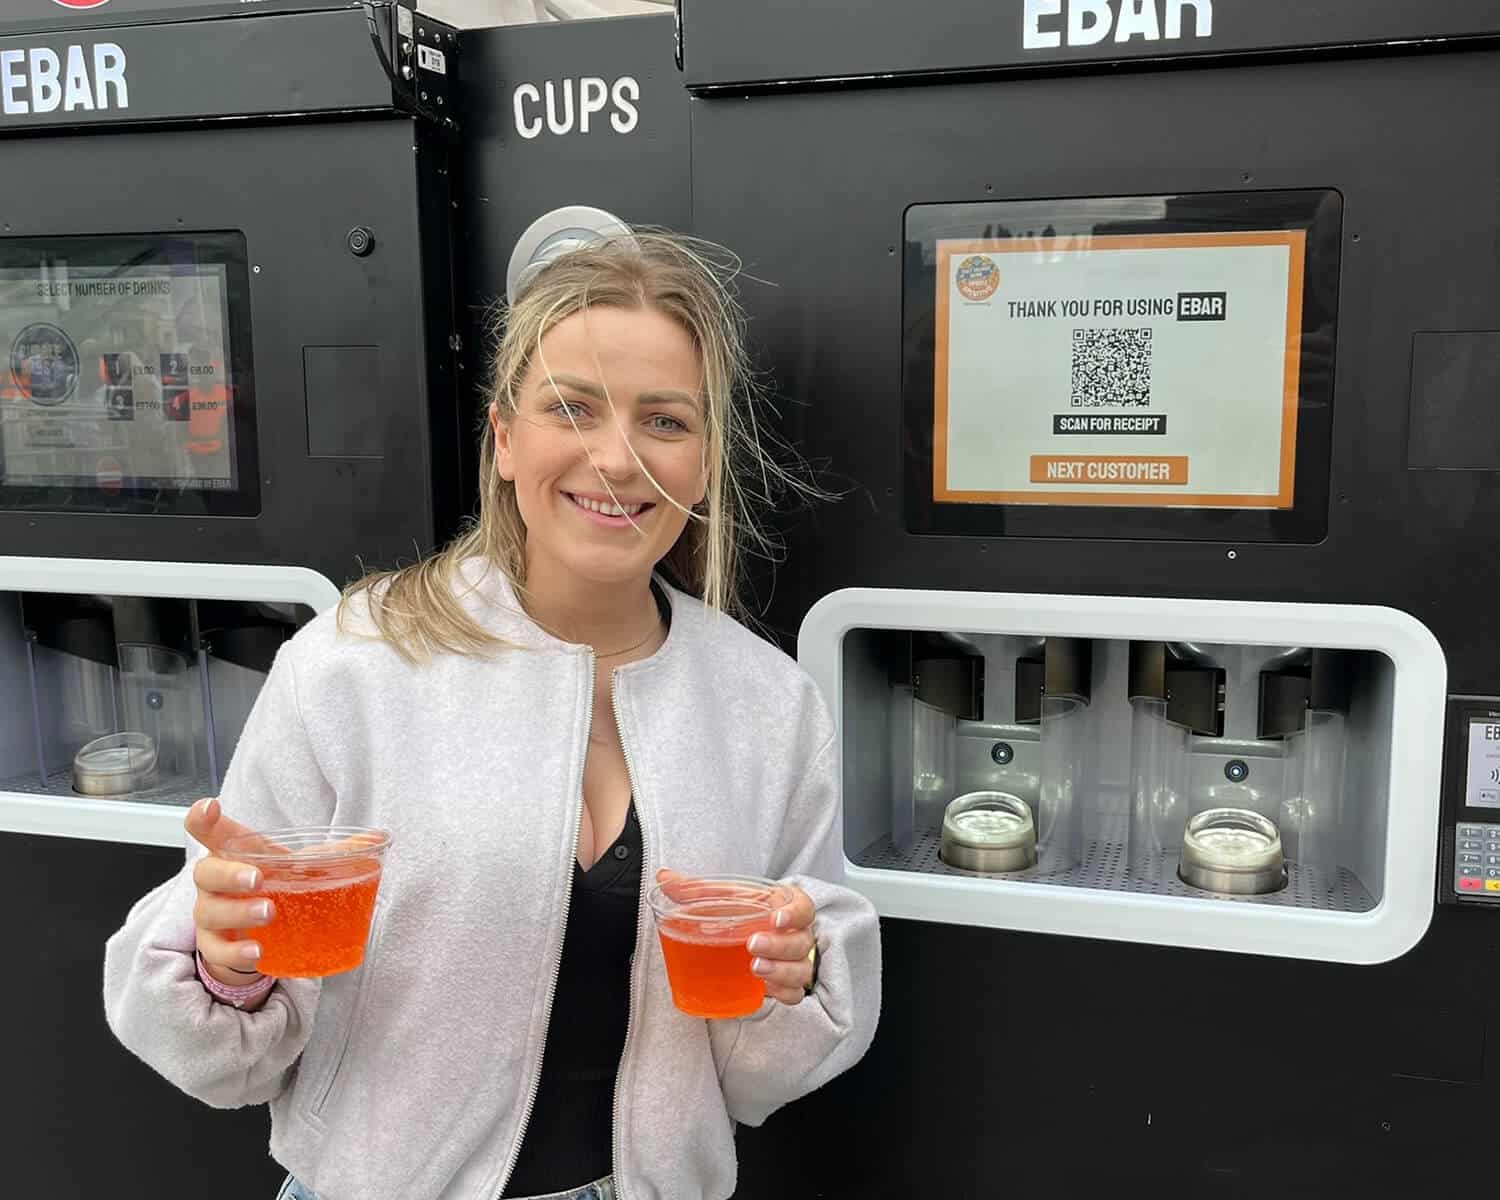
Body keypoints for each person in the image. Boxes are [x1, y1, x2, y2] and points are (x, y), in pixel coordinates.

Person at [103, 230, 883, 1200]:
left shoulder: (769, 705)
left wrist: (788, 981)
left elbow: (767, 1072)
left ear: (705, 460)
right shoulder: (356, 664)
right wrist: (228, 964)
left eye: (665, 420)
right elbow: (225, 1058)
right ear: (506, 438)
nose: (618, 458)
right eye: (572, 408)